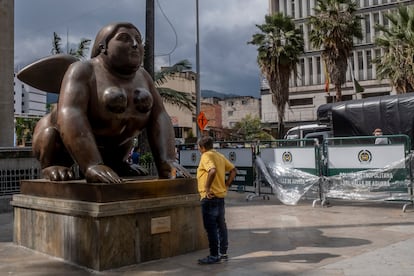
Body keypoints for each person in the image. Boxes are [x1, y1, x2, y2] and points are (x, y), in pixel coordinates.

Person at [30, 22, 178, 183]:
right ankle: (51, 165)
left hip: (114, 146)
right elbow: (71, 115)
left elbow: (160, 116)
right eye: (124, 39)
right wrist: (92, 164)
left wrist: (167, 161)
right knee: (49, 132)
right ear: (103, 47)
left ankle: (117, 164)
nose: (135, 45)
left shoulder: (143, 77)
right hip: (60, 144)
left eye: (138, 39)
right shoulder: (82, 70)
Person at [196, 136, 237, 265]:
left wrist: (207, 188)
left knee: (211, 227)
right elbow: (233, 170)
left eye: (198, 147)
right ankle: (223, 253)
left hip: (209, 198)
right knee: (221, 225)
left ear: (202, 147)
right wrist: (227, 184)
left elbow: (212, 170)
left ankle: (214, 255)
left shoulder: (206, 156)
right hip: (220, 197)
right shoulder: (219, 156)